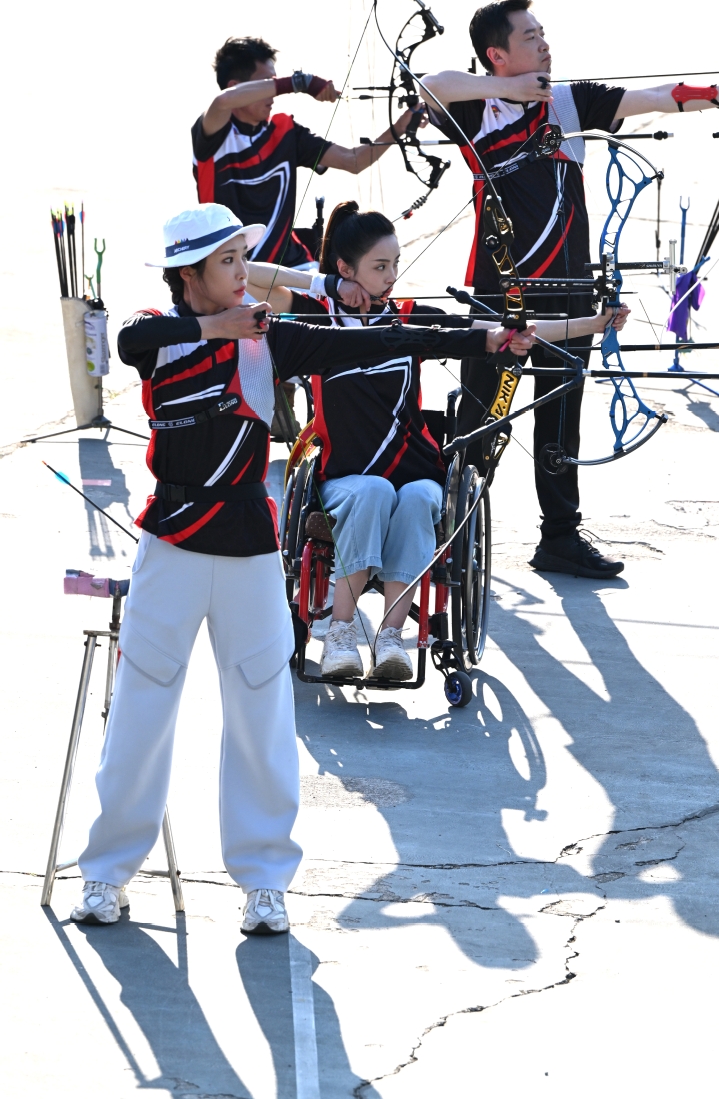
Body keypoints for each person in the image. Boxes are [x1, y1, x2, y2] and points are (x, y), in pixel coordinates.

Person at [69, 202, 536, 931]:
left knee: (260, 713)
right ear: (191, 274)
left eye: (241, 260)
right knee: (142, 708)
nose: (243, 275)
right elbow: (133, 338)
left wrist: (489, 337)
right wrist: (218, 327)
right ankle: (104, 875)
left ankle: (264, 882)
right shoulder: (160, 335)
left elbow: (392, 339)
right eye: (229, 263)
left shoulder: (270, 339)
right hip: (172, 542)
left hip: (250, 548)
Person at [422, 0, 719, 579]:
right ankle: (447, 532)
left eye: (544, 32)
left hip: (567, 289)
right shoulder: (477, 110)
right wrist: (509, 92)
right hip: (501, 293)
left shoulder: (569, 101)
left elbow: (662, 98)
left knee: (561, 418)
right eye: (530, 36)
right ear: (497, 55)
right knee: (488, 418)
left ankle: (559, 536)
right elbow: (430, 83)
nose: (544, 42)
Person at [248, 201, 628, 681]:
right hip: (344, 475)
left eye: (395, 266)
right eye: (379, 267)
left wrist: (592, 324)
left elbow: (505, 331)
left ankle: (390, 638)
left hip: (412, 467)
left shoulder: (409, 316)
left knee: (421, 497)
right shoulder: (315, 315)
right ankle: (340, 633)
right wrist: (326, 285)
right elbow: (248, 276)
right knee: (371, 491)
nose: (390, 277)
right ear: (346, 268)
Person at [192, 36, 422, 270]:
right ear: (237, 87)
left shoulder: (285, 132)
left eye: (275, 83)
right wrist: (299, 83)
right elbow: (222, 102)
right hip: (234, 272)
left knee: (342, 293)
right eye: (267, 83)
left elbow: (353, 161)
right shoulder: (213, 134)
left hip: (293, 266)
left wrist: (399, 128)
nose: (274, 93)